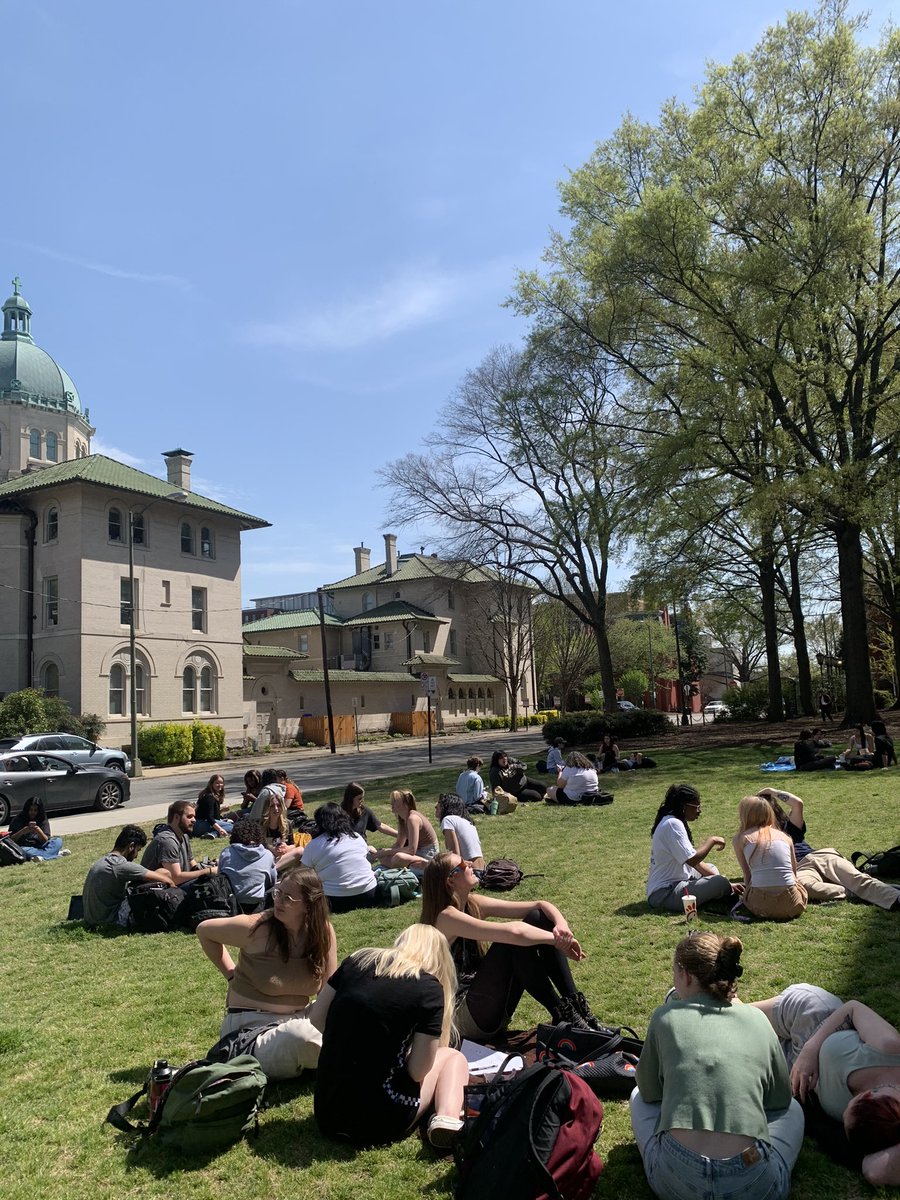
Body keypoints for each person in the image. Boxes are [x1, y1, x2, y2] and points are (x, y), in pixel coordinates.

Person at [630, 932, 804, 1200]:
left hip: (677, 1175)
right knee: (793, 1110)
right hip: (752, 1173)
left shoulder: (665, 1016)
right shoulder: (757, 1019)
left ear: (685, 975)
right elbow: (780, 1100)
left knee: (637, 1097)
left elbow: (649, 1092)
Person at [311, 924, 469, 1149]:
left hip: (327, 1112)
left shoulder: (357, 960)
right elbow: (417, 1071)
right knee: (453, 1057)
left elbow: (316, 1017)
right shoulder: (428, 988)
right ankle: (448, 1117)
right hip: (380, 1119)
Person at [421, 852, 601, 1040]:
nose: (469, 863)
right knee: (511, 942)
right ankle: (563, 1014)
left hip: (490, 1005)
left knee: (537, 918)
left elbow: (540, 906)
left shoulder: (473, 904)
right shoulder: (446, 917)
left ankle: (578, 1010)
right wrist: (557, 941)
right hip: (464, 1018)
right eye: (462, 865)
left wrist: (561, 928)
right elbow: (513, 933)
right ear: (451, 881)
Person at [196, 865, 337, 1080]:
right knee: (302, 1037)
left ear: (309, 905)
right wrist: (231, 974)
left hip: (302, 1018)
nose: (278, 901)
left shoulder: (322, 931)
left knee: (353, 1015)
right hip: (252, 1031)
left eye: (289, 898)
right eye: (278, 892)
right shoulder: (257, 928)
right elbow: (204, 931)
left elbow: (329, 990)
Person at [752, 985, 900, 1187]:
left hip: (794, 1076)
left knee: (734, 1036)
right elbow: (853, 1008)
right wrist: (809, 1051)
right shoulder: (889, 1049)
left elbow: (874, 1172)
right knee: (735, 1016)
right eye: (851, 1104)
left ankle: (717, 983)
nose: (845, 1105)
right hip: (811, 1020)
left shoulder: (881, 1129)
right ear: (869, 1095)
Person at [758, 787, 900, 910]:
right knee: (801, 888)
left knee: (856, 879)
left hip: (822, 856)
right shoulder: (756, 838)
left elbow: (797, 803)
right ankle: (860, 891)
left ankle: (893, 897)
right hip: (801, 868)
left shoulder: (790, 826)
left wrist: (773, 792)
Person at [646, 784, 734, 913]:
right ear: (683, 806)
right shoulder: (672, 824)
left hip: (678, 881)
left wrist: (727, 884)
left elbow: (696, 864)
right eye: (696, 807)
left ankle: (714, 893)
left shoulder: (672, 821)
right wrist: (712, 841)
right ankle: (715, 894)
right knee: (719, 882)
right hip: (665, 894)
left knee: (713, 870)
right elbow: (692, 860)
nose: (699, 811)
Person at [82, 824, 175, 928]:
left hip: (92, 919)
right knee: (163, 873)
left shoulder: (103, 861)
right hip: (112, 920)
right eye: (138, 850)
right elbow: (166, 879)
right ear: (131, 846)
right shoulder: (120, 865)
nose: (136, 856)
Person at [732, 795, 807, 921]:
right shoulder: (786, 837)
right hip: (793, 905)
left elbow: (748, 876)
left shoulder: (740, 839)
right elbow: (794, 874)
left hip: (760, 907)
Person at [301, 802, 380, 913]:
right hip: (369, 893)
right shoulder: (356, 837)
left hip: (335, 900)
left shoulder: (314, 845)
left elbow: (302, 874)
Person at [141, 800, 216, 887]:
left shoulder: (184, 835)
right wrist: (208, 871)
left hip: (176, 886)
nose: (194, 820)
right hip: (158, 892)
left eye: (194, 817)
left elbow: (193, 866)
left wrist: (210, 866)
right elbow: (175, 878)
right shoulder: (167, 840)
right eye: (189, 817)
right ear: (176, 817)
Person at [216, 818, 277, 912]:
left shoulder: (226, 853)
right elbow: (272, 881)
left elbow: (220, 878)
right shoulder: (267, 855)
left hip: (231, 904)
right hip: (257, 905)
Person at [373, 790, 439, 870]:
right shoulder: (402, 819)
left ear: (405, 804)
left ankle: (429, 866)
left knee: (398, 857)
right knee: (384, 856)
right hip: (417, 853)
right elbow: (399, 844)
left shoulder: (413, 818)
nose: (391, 804)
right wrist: (383, 853)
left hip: (427, 853)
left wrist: (388, 852)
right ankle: (409, 867)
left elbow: (411, 850)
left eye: (395, 801)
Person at [435, 794, 485, 870]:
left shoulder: (448, 820)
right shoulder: (467, 822)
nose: (436, 806)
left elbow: (454, 854)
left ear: (446, 806)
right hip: (482, 868)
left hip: (470, 870)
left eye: (440, 803)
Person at [195, 773, 234, 838]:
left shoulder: (212, 795)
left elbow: (211, 814)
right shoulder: (209, 797)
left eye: (221, 783)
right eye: (217, 783)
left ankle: (212, 833)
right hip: (201, 825)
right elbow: (209, 818)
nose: (220, 785)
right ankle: (213, 834)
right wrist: (220, 829)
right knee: (232, 826)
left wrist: (221, 810)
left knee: (230, 822)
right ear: (211, 784)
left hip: (201, 823)